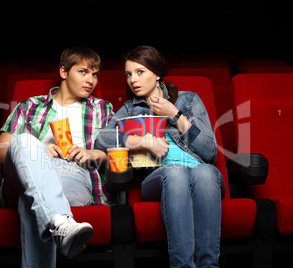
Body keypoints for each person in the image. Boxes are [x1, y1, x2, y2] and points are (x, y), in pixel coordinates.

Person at [96, 45, 225, 268]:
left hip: (201, 174)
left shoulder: (188, 100)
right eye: (128, 74)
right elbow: (103, 139)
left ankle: (208, 265)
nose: (132, 80)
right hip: (159, 178)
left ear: (157, 74)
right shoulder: (129, 109)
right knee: (175, 173)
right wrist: (143, 142)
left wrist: (174, 114)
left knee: (205, 171)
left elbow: (209, 152)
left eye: (140, 72)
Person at [0, 46, 114, 267]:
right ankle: (61, 222)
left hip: (73, 174)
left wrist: (95, 153)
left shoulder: (102, 110)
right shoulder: (29, 106)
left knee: (30, 200)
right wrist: (38, 149)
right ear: (64, 72)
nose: (91, 80)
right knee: (25, 141)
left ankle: (58, 221)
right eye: (83, 72)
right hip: (25, 171)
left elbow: (119, 153)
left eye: (95, 74)